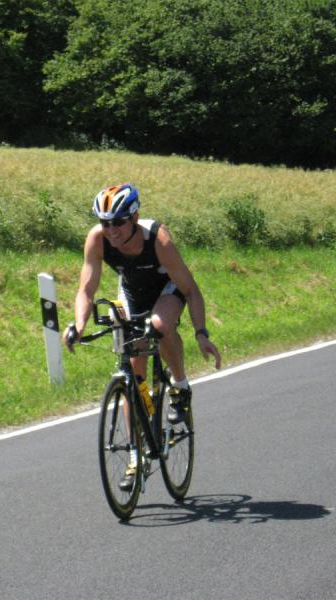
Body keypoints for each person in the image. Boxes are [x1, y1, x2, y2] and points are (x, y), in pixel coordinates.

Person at [63, 183, 222, 489]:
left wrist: (201, 333)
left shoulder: (159, 240)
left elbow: (191, 290)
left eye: (118, 222)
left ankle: (179, 386)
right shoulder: (97, 239)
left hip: (167, 290)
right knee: (132, 375)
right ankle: (136, 455)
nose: (111, 230)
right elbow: (86, 289)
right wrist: (79, 324)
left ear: (134, 217)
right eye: (105, 223)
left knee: (159, 326)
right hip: (133, 292)